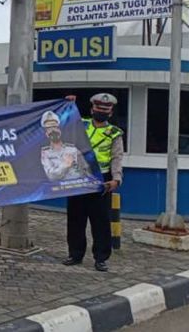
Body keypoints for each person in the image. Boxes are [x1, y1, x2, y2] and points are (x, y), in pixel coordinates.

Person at [63, 93, 124, 272]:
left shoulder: (114, 133)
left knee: (101, 221)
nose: (101, 112)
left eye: (105, 110)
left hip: (101, 181)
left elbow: (117, 157)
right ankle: (75, 254)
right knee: (75, 219)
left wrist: (116, 179)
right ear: (92, 109)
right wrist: (68, 106)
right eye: (98, 109)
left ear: (111, 113)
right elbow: (63, 126)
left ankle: (101, 258)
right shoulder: (82, 124)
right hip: (78, 177)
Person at [40, 110, 86, 181]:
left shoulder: (72, 149)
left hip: (77, 186)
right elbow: (52, 176)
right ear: (46, 133)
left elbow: (85, 169)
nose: (52, 131)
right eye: (49, 128)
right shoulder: (45, 153)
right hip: (60, 188)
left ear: (59, 130)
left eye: (54, 127)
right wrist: (66, 164)